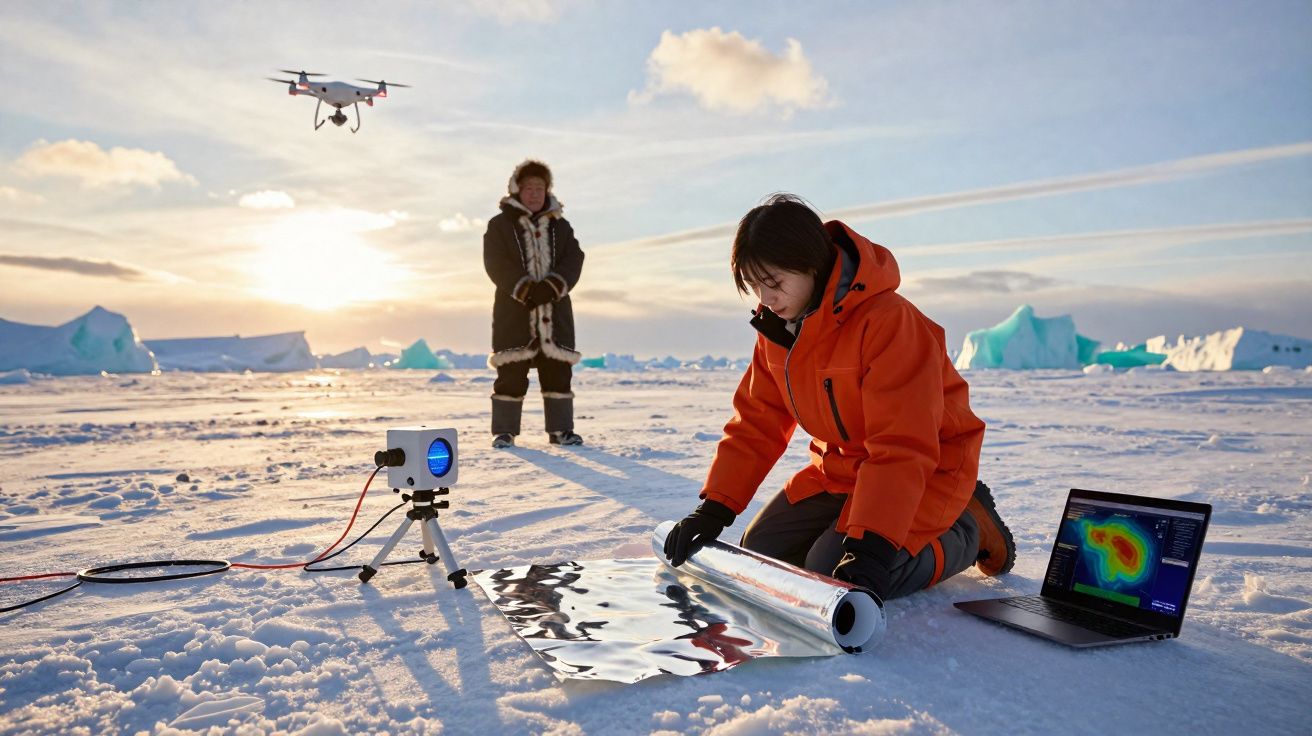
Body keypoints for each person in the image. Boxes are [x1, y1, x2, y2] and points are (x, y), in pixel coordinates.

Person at [662, 194, 1015, 604]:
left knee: (834, 578)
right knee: (760, 558)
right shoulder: (779, 330)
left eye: (773, 282)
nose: (766, 297)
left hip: (929, 467)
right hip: (842, 469)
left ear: (810, 264)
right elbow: (756, 422)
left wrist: (872, 546)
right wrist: (715, 508)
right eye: (755, 285)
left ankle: (967, 529)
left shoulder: (889, 322)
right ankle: (861, 528)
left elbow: (902, 443)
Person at [482, 159, 585, 448]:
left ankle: (561, 430)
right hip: (514, 313)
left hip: (556, 313)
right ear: (517, 190)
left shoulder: (561, 226)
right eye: (529, 188)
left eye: (540, 188)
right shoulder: (499, 225)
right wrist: (526, 289)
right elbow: (495, 262)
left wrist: (551, 288)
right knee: (511, 376)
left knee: (558, 374)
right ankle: (504, 432)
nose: (535, 193)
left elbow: (574, 260)